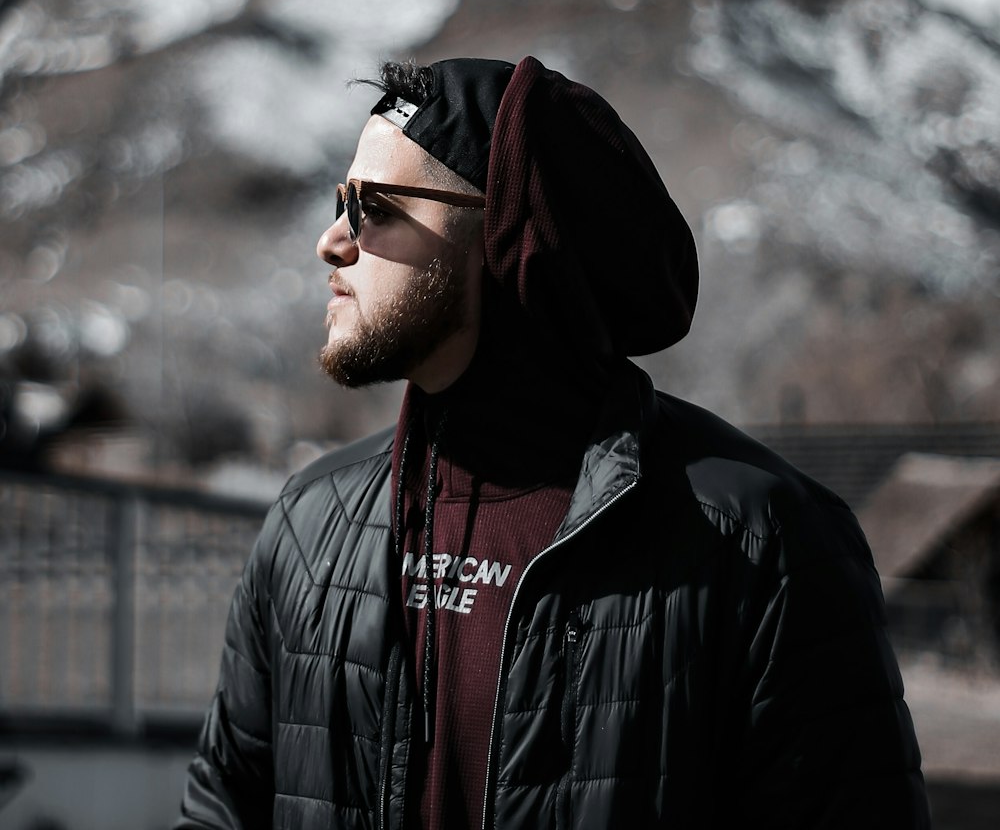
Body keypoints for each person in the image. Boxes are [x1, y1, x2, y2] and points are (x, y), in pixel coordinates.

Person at [175, 56, 930, 830]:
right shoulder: (310, 530)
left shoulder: (759, 546)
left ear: (503, 240)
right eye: (341, 202)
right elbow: (221, 809)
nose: (332, 242)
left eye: (374, 207)